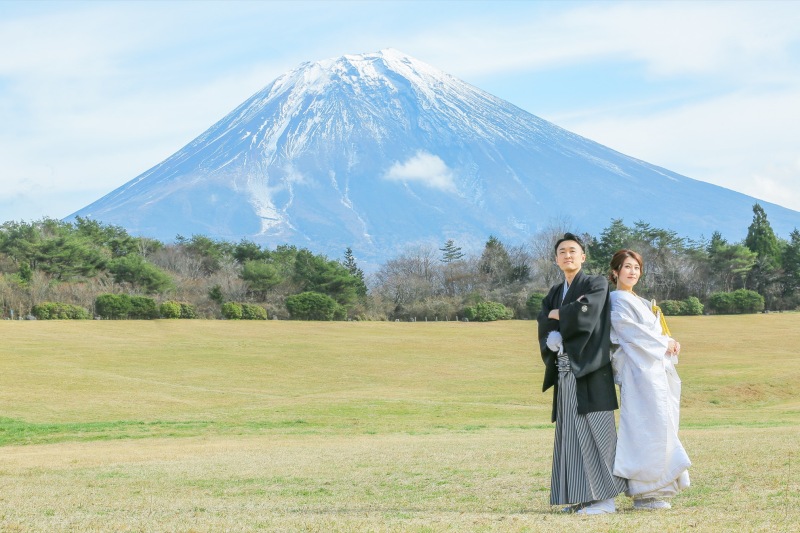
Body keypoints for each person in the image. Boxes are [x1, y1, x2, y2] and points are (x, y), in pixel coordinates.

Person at [537, 233, 626, 514]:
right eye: (562, 252)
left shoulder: (596, 283)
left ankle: (607, 500)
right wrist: (553, 333)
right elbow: (543, 317)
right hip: (565, 370)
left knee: (599, 433)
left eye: (573, 251)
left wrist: (558, 314)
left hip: (591, 369)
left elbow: (586, 312)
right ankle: (584, 498)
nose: (568, 255)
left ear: (583, 257)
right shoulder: (555, 291)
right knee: (572, 435)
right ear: (556, 259)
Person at [608, 249, 691, 510]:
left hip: (654, 369)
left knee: (662, 424)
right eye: (627, 267)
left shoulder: (640, 300)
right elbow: (629, 332)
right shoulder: (617, 300)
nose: (632, 272)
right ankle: (644, 492)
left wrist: (670, 342)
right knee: (643, 426)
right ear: (615, 272)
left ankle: (659, 489)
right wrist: (664, 343)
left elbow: (653, 332)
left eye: (636, 268)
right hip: (638, 372)